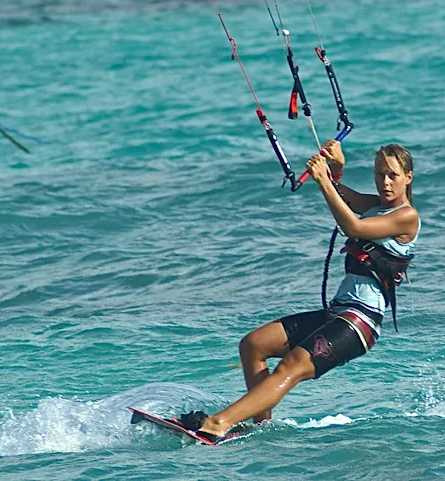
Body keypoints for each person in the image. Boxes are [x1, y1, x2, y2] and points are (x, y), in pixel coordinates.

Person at [174, 141, 420, 443]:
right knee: (254, 345)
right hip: (339, 312)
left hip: (360, 324)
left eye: (392, 175)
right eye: (379, 173)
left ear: (408, 177)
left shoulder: (406, 217)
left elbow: (353, 226)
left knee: (290, 368)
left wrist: (323, 181)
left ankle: (217, 423)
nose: (384, 181)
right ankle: (259, 428)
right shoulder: (375, 206)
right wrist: (336, 169)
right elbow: (341, 196)